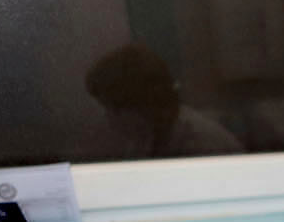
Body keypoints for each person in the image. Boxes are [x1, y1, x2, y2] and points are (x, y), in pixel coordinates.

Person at [85, 44, 243, 159]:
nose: (109, 118)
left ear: (141, 104)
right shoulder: (146, 137)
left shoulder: (203, 144)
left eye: (114, 109)